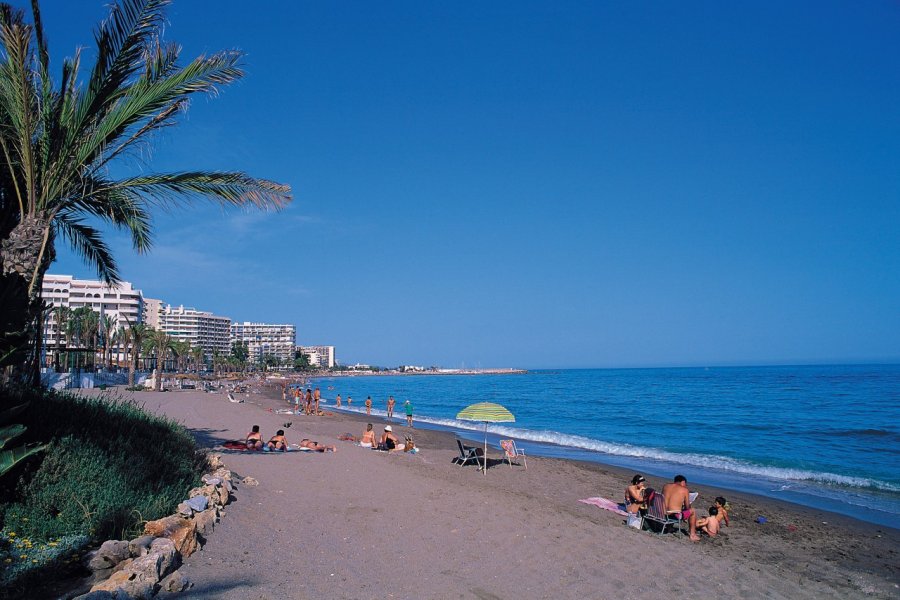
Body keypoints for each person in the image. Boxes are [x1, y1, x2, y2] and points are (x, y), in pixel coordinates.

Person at [663, 475, 700, 541]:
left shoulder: (666, 486)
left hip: (662, 513)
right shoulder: (684, 490)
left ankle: (669, 528)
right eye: (685, 484)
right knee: (693, 511)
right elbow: (687, 507)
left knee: (672, 508)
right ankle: (692, 535)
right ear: (683, 482)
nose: (685, 485)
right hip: (674, 515)